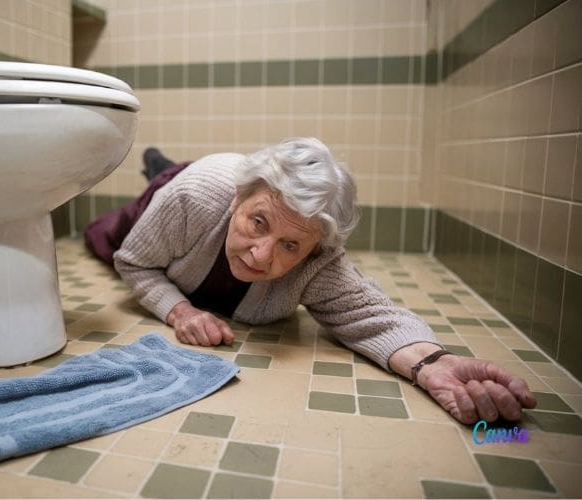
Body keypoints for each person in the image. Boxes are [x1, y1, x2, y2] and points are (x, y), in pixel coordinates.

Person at [84, 138, 536, 425]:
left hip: (214, 191)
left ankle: (169, 166)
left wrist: (431, 361)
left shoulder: (319, 257)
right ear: (240, 196)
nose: (261, 255)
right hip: (178, 188)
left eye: (289, 246)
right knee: (110, 230)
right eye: (258, 222)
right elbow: (135, 262)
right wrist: (179, 310)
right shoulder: (196, 196)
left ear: (314, 247)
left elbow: (371, 316)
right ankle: (159, 166)